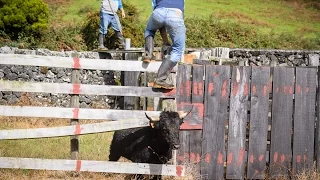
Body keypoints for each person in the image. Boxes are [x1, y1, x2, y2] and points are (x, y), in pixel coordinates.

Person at [144, 0, 186, 89]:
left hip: (158, 12)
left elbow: (160, 18)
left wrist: (165, 41)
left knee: (150, 30)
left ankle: (148, 54)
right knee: (178, 49)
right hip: (176, 14)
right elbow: (181, 11)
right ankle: (160, 79)